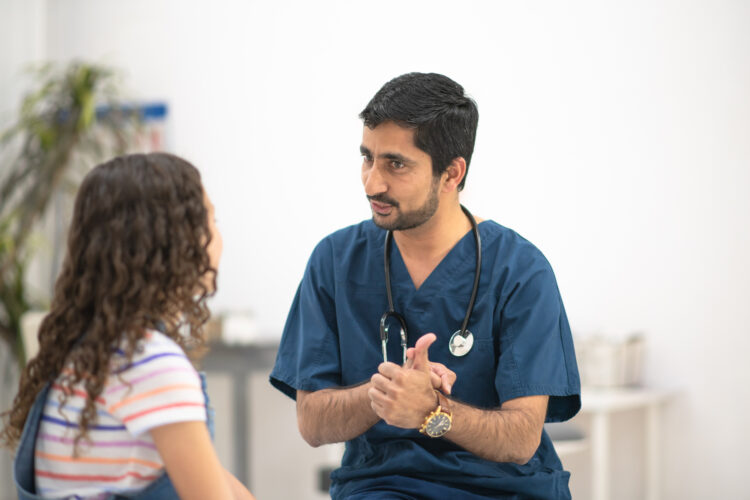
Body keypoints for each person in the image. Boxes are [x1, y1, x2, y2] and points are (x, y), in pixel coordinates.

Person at [270, 72, 581, 499]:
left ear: (452, 173)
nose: (372, 183)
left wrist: (433, 410)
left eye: (395, 164)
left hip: (505, 490)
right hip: (382, 487)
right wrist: (386, 394)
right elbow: (313, 423)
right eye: (367, 158)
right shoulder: (336, 261)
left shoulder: (520, 270)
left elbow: (522, 437)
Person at [1, 153, 255, 500]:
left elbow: (213, 476)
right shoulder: (152, 364)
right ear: (176, 242)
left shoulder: (78, 357)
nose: (218, 234)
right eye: (211, 219)